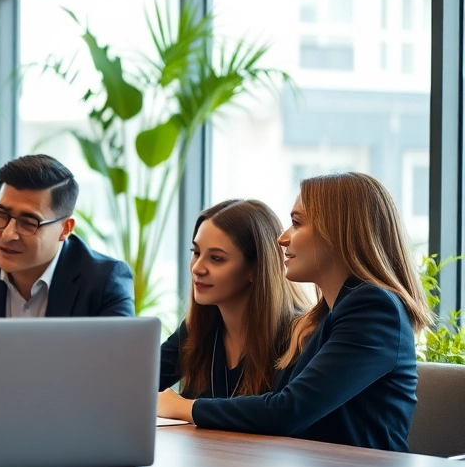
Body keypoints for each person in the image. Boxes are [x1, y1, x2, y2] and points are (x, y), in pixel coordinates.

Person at [158, 173, 433, 450]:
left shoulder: (374, 308)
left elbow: (286, 411)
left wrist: (184, 407)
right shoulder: (325, 315)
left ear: (337, 232)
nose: (282, 239)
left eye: (296, 223)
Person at [0, 154, 135, 319]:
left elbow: (119, 366)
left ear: (65, 228)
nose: (7, 234)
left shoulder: (104, 282)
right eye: (1, 215)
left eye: (27, 222)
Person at [159, 200, 306, 397]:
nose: (196, 268)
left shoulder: (297, 337)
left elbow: (285, 415)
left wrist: (182, 408)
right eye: (196, 253)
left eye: (216, 258)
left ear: (255, 269)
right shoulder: (197, 328)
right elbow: (134, 384)